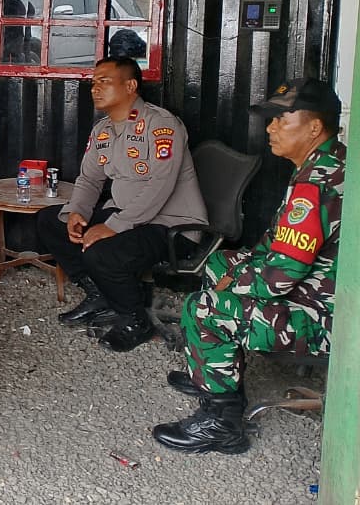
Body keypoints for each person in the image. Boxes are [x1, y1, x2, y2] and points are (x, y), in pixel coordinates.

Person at [153, 78, 345, 455]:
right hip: (317, 294)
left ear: (314, 127)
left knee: (205, 309)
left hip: (325, 318)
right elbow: (274, 247)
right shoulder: (326, 162)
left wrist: (232, 284)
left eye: (281, 119)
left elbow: (277, 280)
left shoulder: (316, 185)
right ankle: (214, 371)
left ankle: (222, 424)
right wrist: (234, 272)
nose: (270, 128)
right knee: (218, 262)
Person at [35, 56, 207, 352]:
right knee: (52, 221)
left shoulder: (161, 125)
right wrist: (77, 212)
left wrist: (113, 226)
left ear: (130, 86)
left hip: (172, 226)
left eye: (104, 81)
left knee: (102, 252)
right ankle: (99, 293)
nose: (95, 88)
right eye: (93, 83)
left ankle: (135, 321)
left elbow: (160, 186)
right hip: (127, 216)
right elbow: (90, 179)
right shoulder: (102, 130)